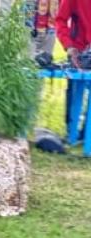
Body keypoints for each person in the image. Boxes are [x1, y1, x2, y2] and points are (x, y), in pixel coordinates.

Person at [56, 0, 91, 136]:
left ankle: (86, 133)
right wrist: (68, 44)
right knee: (75, 88)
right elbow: (61, 19)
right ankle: (71, 130)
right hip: (78, 50)